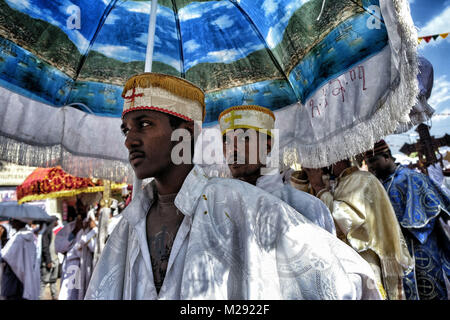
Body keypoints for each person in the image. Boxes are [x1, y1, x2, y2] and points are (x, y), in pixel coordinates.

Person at [85, 72, 382, 300]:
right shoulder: (128, 224)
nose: (129, 140)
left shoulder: (243, 205)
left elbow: (344, 280)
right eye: (126, 129)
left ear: (184, 133)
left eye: (145, 124)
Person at [304, 159, 414, 300]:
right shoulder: (340, 181)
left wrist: (319, 188)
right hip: (345, 259)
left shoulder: (361, 179)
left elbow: (347, 220)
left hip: (365, 258)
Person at [218, 105, 335, 234]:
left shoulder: (304, 206)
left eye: (243, 138)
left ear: (267, 146)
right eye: (226, 141)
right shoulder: (219, 210)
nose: (232, 149)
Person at [365, 140, 450, 300]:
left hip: (419, 246)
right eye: (368, 162)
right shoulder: (377, 186)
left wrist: (407, 225)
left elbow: (434, 206)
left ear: (386, 156)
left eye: (373, 161)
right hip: (393, 254)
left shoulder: (412, 178)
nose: (370, 166)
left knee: (431, 290)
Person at [0, 219, 40, 300]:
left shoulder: (18, 238)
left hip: (13, 276)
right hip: (25, 275)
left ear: (19, 222)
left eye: (14, 220)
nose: (12, 223)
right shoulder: (29, 235)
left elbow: (5, 255)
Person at [40, 217, 59, 300]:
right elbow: (45, 247)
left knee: (53, 281)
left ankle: (54, 297)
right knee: (44, 282)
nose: (57, 222)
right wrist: (48, 261)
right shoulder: (47, 232)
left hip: (54, 260)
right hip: (49, 261)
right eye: (56, 221)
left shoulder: (52, 231)